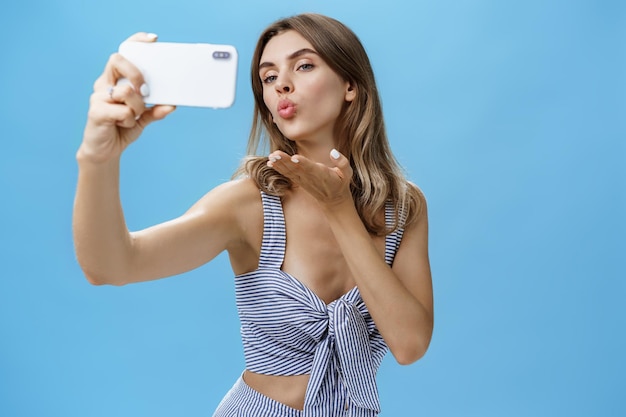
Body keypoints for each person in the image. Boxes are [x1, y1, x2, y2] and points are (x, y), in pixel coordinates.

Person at [73, 13, 433, 417]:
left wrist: (339, 210)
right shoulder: (248, 204)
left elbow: (409, 345)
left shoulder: (404, 207)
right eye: (267, 76)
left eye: (304, 65)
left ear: (350, 85)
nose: (281, 83)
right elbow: (112, 265)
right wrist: (97, 158)